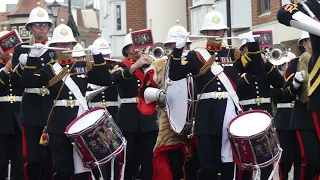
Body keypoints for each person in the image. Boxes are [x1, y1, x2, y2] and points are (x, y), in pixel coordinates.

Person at [169, 5, 265, 180]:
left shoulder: (233, 53)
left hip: (230, 114)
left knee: (230, 165)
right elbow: (175, 74)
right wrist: (177, 49)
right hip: (207, 115)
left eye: (219, 30)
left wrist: (253, 45)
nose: (216, 34)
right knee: (208, 166)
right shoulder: (194, 56)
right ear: (205, 32)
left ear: (224, 32)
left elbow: (258, 70)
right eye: (211, 31)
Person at [20, 22, 111, 179]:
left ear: (73, 44)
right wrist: (32, 59)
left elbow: (105, 80)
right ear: (54, 45)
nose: (64, 46)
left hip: (80, 121)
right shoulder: (49, 69)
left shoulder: (83, 65)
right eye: (61, 44)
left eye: (68, 43)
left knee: (83, 168)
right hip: (59, 124)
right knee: (63, 169)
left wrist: (98, 57)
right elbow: (27, 82)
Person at [137, 21, 200, 180]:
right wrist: (159, 94)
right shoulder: (159, 65)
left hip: (197, 118)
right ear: (169, 45)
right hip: (170, 119)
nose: (181, 46)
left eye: (185, 44)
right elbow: (145, 92)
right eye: (176, 43)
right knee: (174, 162)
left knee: (197, 162)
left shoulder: (197, 61)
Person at [12, 3, 54, 179]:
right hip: (31, 108)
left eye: (45, 24)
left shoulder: (56, 47)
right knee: (32, 158)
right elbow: (16, 83)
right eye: (37, 24)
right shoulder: (21, 49)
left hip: (51, 106)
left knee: (52, 158)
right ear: (29, 28)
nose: (42, 28)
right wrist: (24, 64)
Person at [111, 29, 158, 180]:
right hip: (129, 117)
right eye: (132, 45)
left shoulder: (151, 64)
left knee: (148, 159)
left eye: (138, 45)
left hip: (149, 117)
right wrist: (136, 65)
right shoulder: (120, 64)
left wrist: (155, 65)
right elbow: (116, 77)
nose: (136, 48)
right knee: (129, 159)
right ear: (126, 49)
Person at [236, 41, 284, 180]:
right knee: (247, 159)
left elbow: (280, 84)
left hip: (264, 116)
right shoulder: (239, 66)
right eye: (247, 49)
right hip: (246, 116)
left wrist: (267, 64)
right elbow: (234, 85)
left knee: (266, 156)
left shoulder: (264, 68)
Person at [282, 30, 320, 179]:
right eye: (311, 39)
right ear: (304, 43)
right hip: (305, 119)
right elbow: (286, 95)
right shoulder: (295, 63)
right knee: (313, 161)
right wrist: (295, 84)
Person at [87, 36, 121, 180]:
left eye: (106, 55)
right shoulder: (89, 72)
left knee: (114, 152)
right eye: (102, 55)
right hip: (94, 114)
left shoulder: (116, 69)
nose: (105, 58)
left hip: (112, 113)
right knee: (96, 151)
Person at [0, 29, 25, 180]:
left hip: (19, 116)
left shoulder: (18, 65)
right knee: (1, 161)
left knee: (19, 161)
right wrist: (5, 70)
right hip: (2, 118)